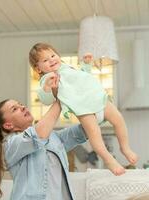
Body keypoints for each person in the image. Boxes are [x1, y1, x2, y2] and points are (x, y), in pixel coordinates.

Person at [29, 43, 138, 175]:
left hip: (98, 99)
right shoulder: (47, 78)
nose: (51, 59)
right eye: (45, 60)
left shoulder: (67, 68)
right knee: (95, 135)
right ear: (38, 69)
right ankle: (109, 160)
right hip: (83, 110)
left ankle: (125, 147)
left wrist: (86, 65)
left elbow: (83, 77)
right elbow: (46, 100)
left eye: (53, 55)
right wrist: (47, 87)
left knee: (119, 120)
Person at [0, 98, 88, 200]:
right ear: (8, 125)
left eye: (21, 104)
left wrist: (93, 109)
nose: (23, 107)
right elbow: (38, 135)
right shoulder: (11, 144)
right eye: (14, 109)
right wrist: (60, 99)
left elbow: (84, 130)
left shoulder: (54, 137)